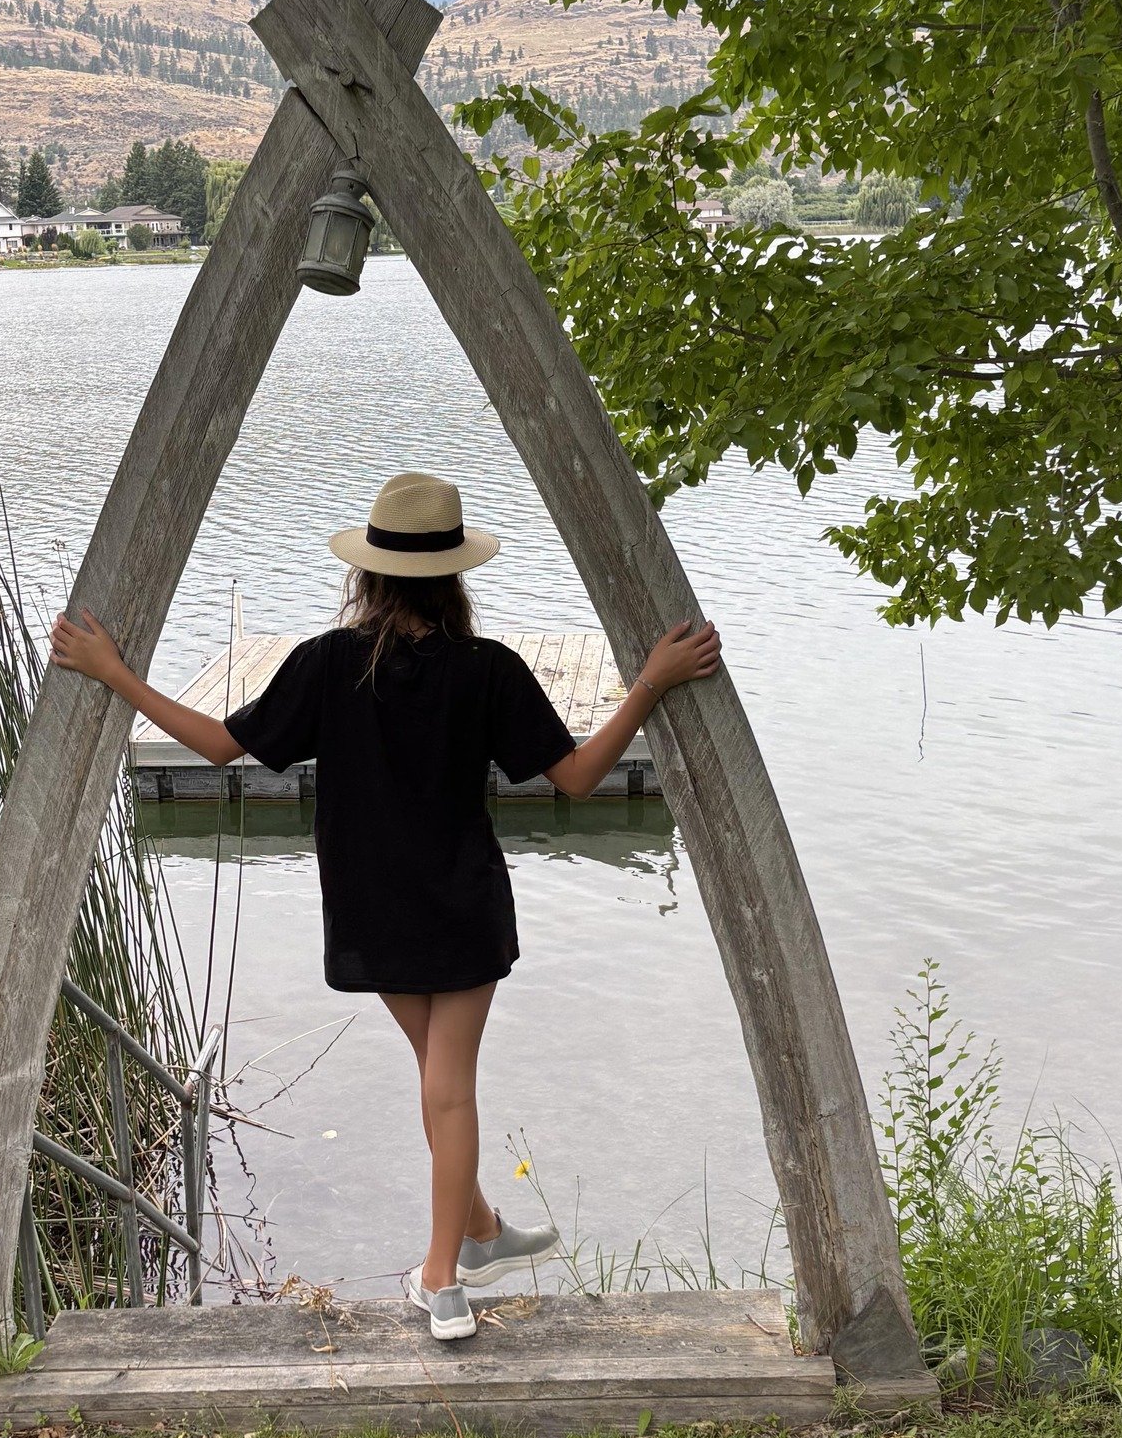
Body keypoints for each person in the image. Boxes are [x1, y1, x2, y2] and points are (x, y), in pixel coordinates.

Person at [50, 471, 721, 1342]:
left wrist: (114, 673)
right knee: (450, 1092)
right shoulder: (489, 670)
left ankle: (476, 1234)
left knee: (440, 1087)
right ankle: (444, 1277)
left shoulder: (327, 664)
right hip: (462, 909)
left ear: (368, 575)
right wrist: (650, 683)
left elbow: (218, 748)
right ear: (455, 577)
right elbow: (581, 777)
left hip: (371, 909)